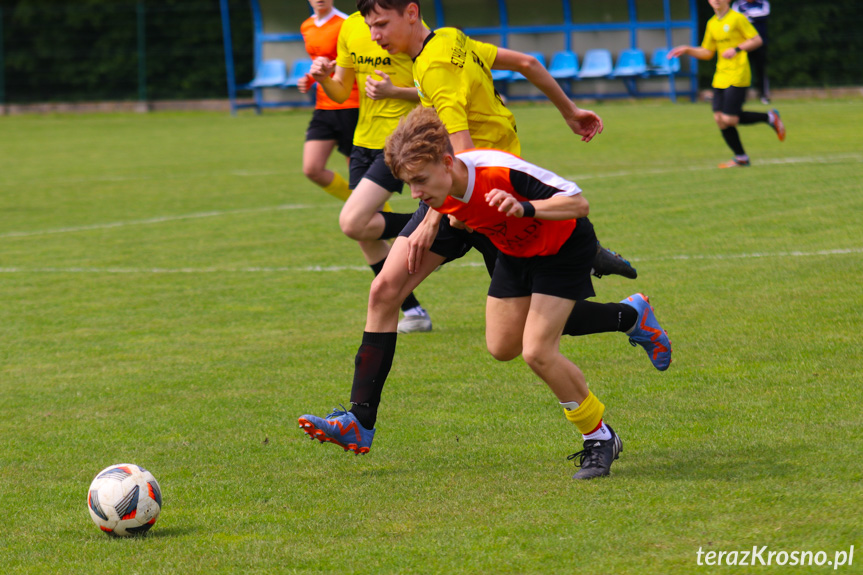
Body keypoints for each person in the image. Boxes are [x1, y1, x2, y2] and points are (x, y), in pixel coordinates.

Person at [300, 107, 671, 479]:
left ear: (447, 162)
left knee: (538, 351)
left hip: (561, 252)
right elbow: (451, 203)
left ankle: (600, 437)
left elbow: (578, 203)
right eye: (407, 183)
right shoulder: (437, 189)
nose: (414, 192)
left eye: (420, 181)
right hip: (514, 254)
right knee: (502, 346)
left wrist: (525, 208)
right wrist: (433, 218)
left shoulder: (497, 171)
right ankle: (631, 316)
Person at [309, 10, 431, 333]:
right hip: (362, 141)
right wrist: (322, 78)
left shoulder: (409, 30)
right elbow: (340, 90)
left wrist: (395, 93)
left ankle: (446, 226)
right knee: (365, 233)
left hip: (399, 141)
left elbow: (432, 93)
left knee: (353, 221)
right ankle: (415, 312)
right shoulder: (350, 26)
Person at [669, 0, 785, 169]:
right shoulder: (712, 23)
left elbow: (757, 40)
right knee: (720, 119)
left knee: (729, 118)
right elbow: (707, 52)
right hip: (720, 75)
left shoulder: (738, 18)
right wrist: (687, 49)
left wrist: (737, 49)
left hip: (738, 73)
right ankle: (741, 158)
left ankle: (769, 117)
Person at [731, 0, 771, 104]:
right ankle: (742, 96)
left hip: (760, 43)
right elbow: (735, 19)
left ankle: (763, 95)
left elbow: (764, 15)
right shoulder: (738, 4)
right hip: (744, 44)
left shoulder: (763, 3)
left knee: (760, 70)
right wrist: (750, 17)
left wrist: (747, 17)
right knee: (742, 71)